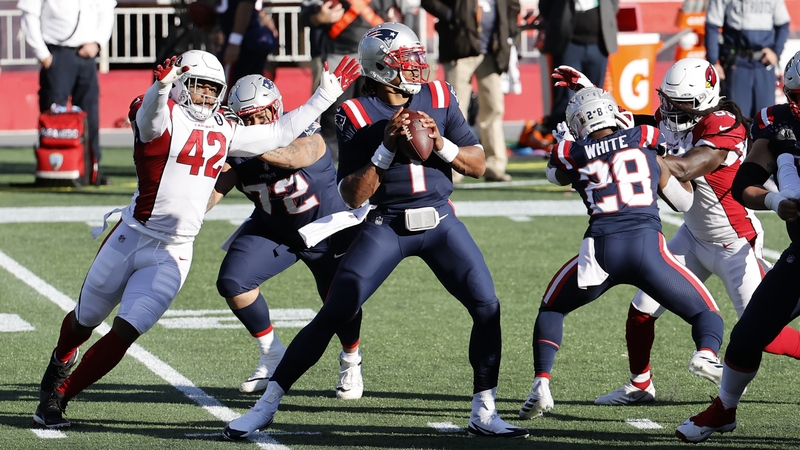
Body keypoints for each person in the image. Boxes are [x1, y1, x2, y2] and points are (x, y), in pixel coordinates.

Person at [222, 22, 529, 440]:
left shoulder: (440, 95)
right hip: (389, 224)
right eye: (407, 61)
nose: (418, 67)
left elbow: (477, 165)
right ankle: (266, 405)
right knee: (334, 312)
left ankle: (484, 409)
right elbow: (352, 195)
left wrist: (440, 145)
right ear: (382, 68)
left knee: (486, 305)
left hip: (441, 220)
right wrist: (385, 148)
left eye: (418, 58)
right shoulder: (355, 113)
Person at [31, 49, 361, 429]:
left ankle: (59, 398)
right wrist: (160, 87)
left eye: (211, 89)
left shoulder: (225, 127)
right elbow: (150, 119)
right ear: (180, 84)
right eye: (198, 86)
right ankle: (61, 357)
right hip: (132, 236)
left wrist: (324, 96)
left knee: (126, 330)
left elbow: (281, 132)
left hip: (174, 251)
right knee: (84, 319)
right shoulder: (160, 110)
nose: (205, 95)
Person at [562, 58, 800, 406]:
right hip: (692, 235)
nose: (669, 109)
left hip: (733, 241)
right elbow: (630, 129)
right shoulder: (671, 117)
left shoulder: (725, 126)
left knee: (761, 332)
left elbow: (685, 168)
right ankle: (640, 384)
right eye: (667, 100)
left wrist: (625, 158)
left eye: (678, 104)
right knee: (642, 307)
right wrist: (590, 96)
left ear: (702, 101)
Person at [517, 86, 726, 420]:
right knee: (707, 314)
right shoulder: (645, 138)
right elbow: (682, 197)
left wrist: (562, 144)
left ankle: (541, 383)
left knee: (552, 308)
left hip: (599, 253)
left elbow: (555, 174)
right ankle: (705, 352)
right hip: (648, 250)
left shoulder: (572, 151)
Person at [211, 74, 364, 398]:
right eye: (248, 118)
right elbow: (212, 193)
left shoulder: (302, 128)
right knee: (233, 282)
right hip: (273, 227)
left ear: (277, 108)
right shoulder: (235, 150)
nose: (257, 122)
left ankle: (351, 359)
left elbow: (296, 156)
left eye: (263, 114)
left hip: (326, 227)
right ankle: (271, 353)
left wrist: (247, 144)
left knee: (340, 299)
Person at [675, 51, 800, 444]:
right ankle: (724, 409)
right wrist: (775, 201)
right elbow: (746, 181)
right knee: (747, 336)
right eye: (797, 95)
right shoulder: (779, 121)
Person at [17, 0, 117, 185]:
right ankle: (52, 171)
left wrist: (98, 42)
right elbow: (29, 13)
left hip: (87, 55)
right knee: (53, 116)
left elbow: (106, 10)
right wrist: (42, 54)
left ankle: (90, 171)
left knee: (90, 117)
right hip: (57, 54)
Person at [421, 0, 520, 182]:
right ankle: (455, 164)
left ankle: (495, 164)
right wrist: (452, 17)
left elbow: (513, 5)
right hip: (459, 47)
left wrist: (509, 29)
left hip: (492, 50)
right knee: (455, 109)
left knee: (494, 109)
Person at [300, 0, 398, 161]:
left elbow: (407, 9)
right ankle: (327, 164)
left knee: (374, 115)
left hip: (377, 55)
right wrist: (318, 18)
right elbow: (305, 15)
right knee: (334, 116)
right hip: (337, 56)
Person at [536, 0, 619, 146]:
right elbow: (545, 6)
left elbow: (613, 4)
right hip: (568, 44)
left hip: (599, 43)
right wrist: (558, 22)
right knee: (565, 99)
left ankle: (596, 145)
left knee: (594, 97)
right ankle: (562, 147)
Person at [705, 0, 790, 119]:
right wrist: (713, 61)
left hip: (763, 66)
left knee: (766, 120)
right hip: (737, 65)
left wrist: (776, 52)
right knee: (737, 119)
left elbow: (783, 24)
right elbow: (712, 26)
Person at [217, 0, 279, 88]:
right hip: (245, 38)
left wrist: (234, 42)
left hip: (243, 41)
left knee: (232, 88)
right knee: (251, 85)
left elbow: (246, 4)